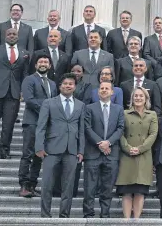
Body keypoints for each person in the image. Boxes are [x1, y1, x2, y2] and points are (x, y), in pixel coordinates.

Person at [35, 73, 85, 218]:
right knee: (47, 184)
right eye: (65, 83)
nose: (68, 86)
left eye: (71, 84)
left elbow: (81, 130)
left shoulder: (81, 105)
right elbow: (41, 126)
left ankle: (64, 215)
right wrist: (39, 146)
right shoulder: (49, 103)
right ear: (60, 86)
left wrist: (81, 150)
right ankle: (45, 215)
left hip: (71, 150)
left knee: (68, 186)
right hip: (51, 149)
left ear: (75, 87)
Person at [0, 27, 31, 159]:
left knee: (8, 125)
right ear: (5, 36)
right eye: (9, 34)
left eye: (14, 34)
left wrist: (23, 90)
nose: (12, 36)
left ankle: (5, 151)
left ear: (18, 37)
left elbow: (25, 74)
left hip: (13, 94)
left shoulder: (24, 53)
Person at [115, 87, 158, 219]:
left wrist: (140, 148)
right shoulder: (124, 113)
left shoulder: (152, 114)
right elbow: (120, 132)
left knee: (140, 191)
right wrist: (128, 148)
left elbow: (153, 134)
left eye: (141, 96)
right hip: (127, 156)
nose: (138, 98)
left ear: (146, 99)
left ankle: (137, 220)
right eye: (136, 96)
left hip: (143, 156)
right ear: (132, 98)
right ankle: (127, 220)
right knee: (127, 192)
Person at [83, 81, 125, 218]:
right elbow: (87, 128)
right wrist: (100, 144)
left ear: (112, 92)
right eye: (102, 88)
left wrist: (109, 143)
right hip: (93, 153)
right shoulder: (89, 108)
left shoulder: (119, 109)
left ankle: (105, 214)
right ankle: (88, 213)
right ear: (98, 91)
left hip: (111, 153)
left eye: (107, 88)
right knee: (90, 186)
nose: (104, 90)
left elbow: (120, 128)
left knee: (108, 187)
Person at [19, 55, 58, 197]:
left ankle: (32, 185)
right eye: (40, 61)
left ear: (50, 66)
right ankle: (23, 185)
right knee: (27, 154)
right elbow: (29, 100)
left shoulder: (53, 84)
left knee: (38, 155)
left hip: (46, 125)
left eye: (46, 62)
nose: (43, 64)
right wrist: (46, 110)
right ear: (35, 65)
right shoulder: (29, 79)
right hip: (32, 122)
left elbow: (54, 102)